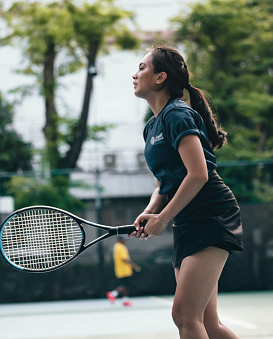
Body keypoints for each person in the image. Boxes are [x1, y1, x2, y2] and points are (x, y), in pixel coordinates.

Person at [130, 46, 243, 339]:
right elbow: (164, 185)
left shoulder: (177, 114)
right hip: (187, 220)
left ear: (160, 77)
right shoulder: (152, 126)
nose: (134, 74)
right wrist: (151, 210)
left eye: (142, 67)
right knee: (207, 323)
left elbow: (198, 174)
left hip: (211, 213)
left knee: (184, 315)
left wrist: (163, 218)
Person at [106, 236, 140, 306]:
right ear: (120, 240)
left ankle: (125, 300)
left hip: (123, 270)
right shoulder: (120, 247)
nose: (125, 241)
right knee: (124, 285)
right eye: (124, 240)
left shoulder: (117, 246)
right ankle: (113, 294)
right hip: (123, 270)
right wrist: (133, 265)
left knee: (125, 285)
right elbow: (124, 259)